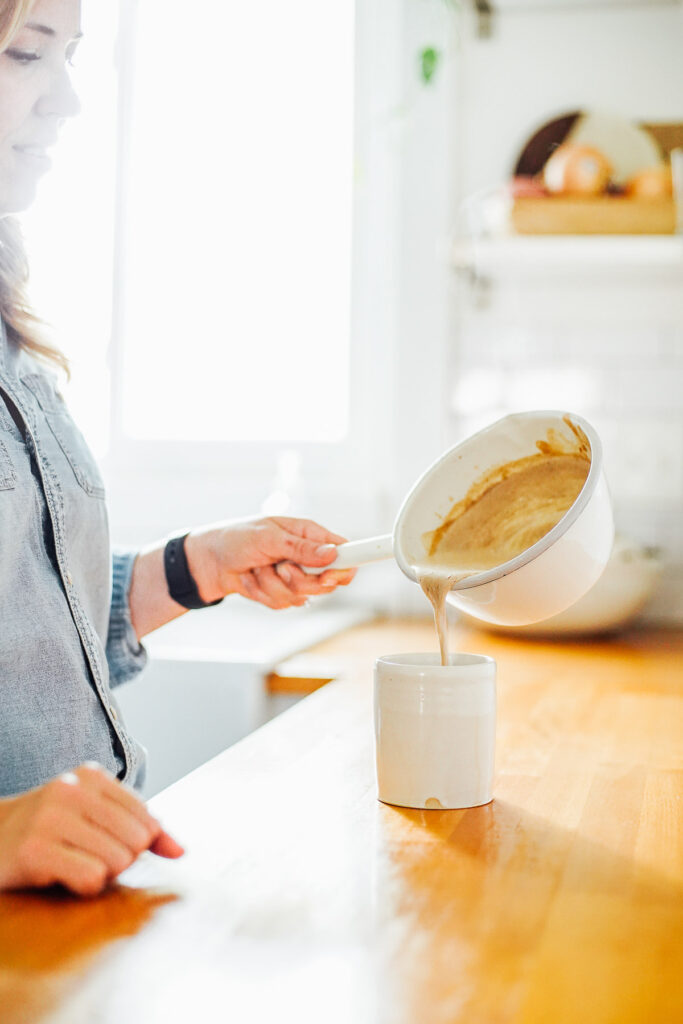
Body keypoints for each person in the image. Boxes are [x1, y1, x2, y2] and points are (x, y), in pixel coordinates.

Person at [0, 0, 355, 896]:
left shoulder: (9, 313)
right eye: (27, 54)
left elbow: (35, 617)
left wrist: (199, 567)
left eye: (72, 55)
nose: (70, 98)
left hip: (68, 920)